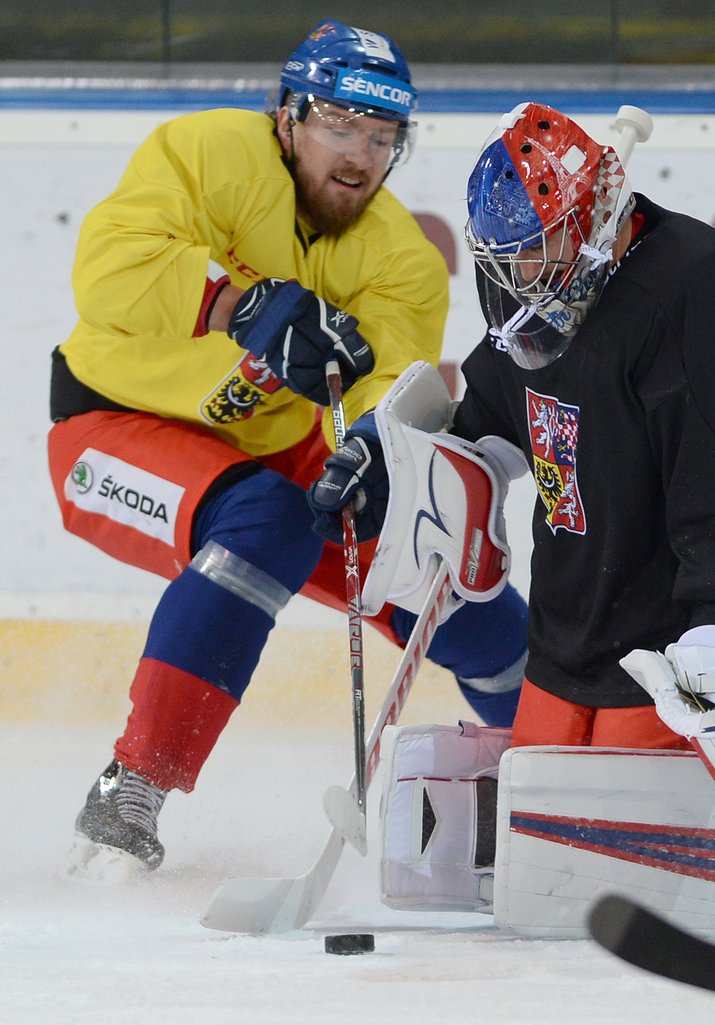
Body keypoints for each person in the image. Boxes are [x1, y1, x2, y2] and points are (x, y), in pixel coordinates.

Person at [315, 102, 715, 876]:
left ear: (594, 218)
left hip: (700, 628)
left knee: (607, 857)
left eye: (535, 253)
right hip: (584, 620)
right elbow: (486, 425)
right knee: (539, 840)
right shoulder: (544, 302)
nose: (518, 278)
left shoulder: (702, 300)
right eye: (504, 260)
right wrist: (383, 461)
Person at [48, 20, 528, 875]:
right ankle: (135, 785)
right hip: (113, 426)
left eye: (383, 137)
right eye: (340, 126)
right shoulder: (206, 152)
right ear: (286, 117)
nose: (361, 155)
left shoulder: (403, 262)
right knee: (266, 519)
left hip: (273, 451)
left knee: (459, 585)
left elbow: (387, 391)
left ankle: (550, 773)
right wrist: (240, 304)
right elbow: (107, 267)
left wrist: (381, 452)